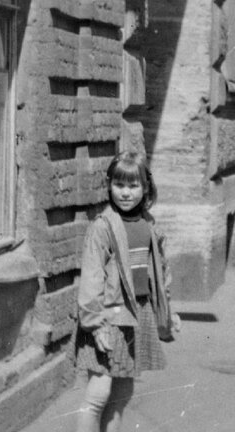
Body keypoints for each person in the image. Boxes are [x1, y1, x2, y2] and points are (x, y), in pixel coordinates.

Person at [76, 151, 179, 432]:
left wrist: (169, 310)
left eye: (133, 186)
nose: (125, 193)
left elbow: (160, 273)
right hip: (107, 316)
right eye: (119, 185)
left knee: (122, 395)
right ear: (109, 185)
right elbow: (92, 278)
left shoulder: (149, 225)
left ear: (146, 188)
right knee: (97, 395)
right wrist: (95, 325)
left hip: (138, 314)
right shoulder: (103, 227)